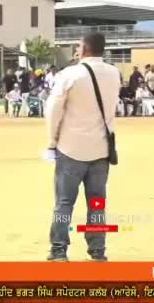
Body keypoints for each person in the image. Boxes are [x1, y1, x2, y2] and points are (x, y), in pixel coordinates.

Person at [44, 32, 120, 262]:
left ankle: (59, 249)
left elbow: (53, 111)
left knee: (64, 203)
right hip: (101, 149)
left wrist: (51, 143)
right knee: (97, 203)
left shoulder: (70, 74)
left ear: (84, 49)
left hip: (71, 148)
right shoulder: (114, 73)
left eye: (78, 46)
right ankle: (97, 251)